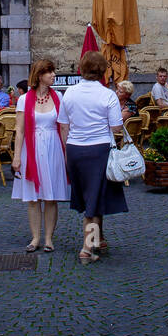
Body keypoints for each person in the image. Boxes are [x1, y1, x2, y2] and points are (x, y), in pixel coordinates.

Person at [57, 50, 127, 264]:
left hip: (75, 149)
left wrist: (68, 151)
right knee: (93, 199)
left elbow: (64, 126)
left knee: (93, 195)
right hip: (99, 149)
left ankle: (100, 238)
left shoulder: (69, 93)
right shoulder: (107, 95)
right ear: (103, 71)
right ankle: (88, 247)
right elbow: (116, 127)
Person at [11, 58, 69, 252]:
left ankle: (48, 238)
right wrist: (17, 157)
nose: (53, 75)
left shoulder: (58, 97)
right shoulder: (24, 99)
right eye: (49, 72)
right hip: (32, 147)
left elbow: (63, 128)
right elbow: (19, 130)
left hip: (53, 146)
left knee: (50, 197)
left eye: (53, 71)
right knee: (34, 198)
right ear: (39, 76)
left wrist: (67, 152)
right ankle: (35, 237)